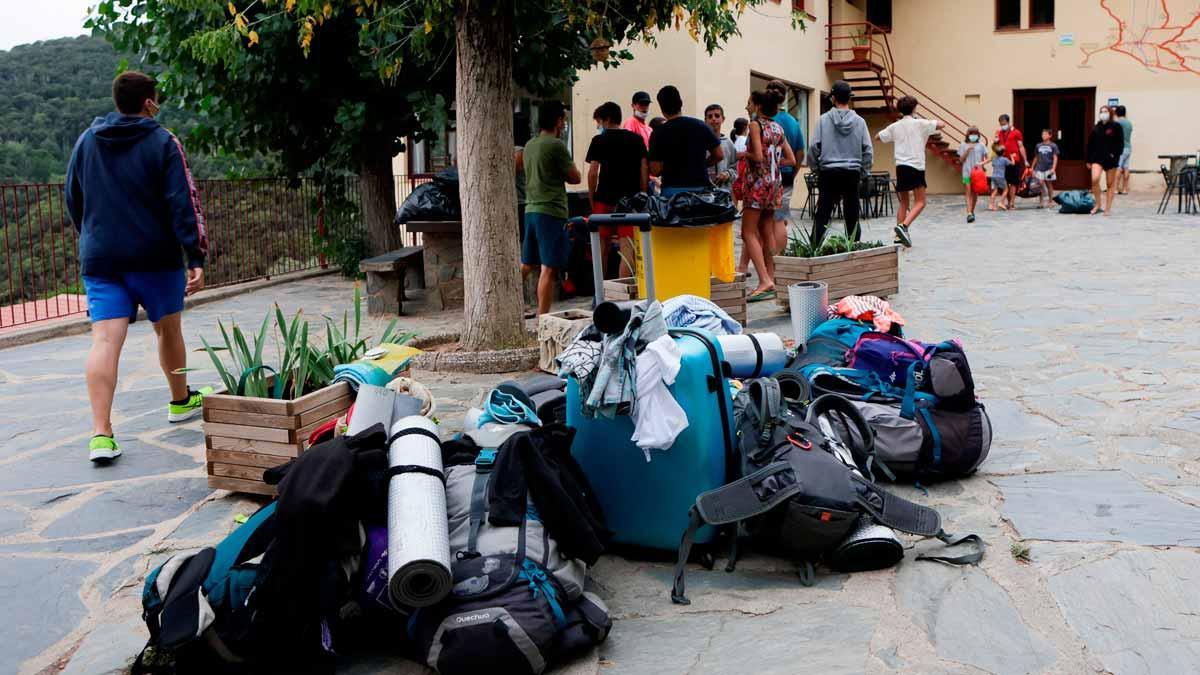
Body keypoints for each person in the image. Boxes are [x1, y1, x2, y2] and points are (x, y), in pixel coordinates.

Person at [64, 71, 209, 463]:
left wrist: (92, 235)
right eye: (156, 98)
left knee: (105, 340)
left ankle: (101, 434)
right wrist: (194, 254)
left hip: (102, 256)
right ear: (148, 103)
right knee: (168, 328)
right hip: (154, 256)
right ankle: (180, 400)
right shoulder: (163, 141)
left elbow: (72, 196)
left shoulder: (87, 141)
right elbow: (184, 201)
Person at [522, 100, 581, 315]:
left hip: (530, 209)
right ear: (558, 121)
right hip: (551, 211)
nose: (565, 124)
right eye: (564, 119)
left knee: (527, 264)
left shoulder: (530, 145)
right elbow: (575, 177)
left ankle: (505, 301)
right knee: (548, 267)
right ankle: (543, 318)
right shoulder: (556, 146)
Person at [739, 89, 795, 303]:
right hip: (775, 184)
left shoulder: (756, 125)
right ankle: (771, 277)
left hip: (757, 184)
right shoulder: (778, 127)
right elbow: (790, 159)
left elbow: (757, 155)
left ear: (758, 105)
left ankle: (764, 280)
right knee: (766, 230)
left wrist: (742, 154)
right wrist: (773, 164)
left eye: (749, 102)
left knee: (748, 232)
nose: (747, 106)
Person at [586, 101, 648, 277]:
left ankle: (600, 293)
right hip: (629, 201)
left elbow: (592, 173)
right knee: (627, 249)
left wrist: (592, 199)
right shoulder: (636, 139)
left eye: (599, 122)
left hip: (603, 199)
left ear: (606, 119)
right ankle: (624, 294)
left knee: (601, 249)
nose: (599, 126)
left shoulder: (598, 140)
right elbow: (644, 167)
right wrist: (642, 193)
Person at [808, 80, 873, 243]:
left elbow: (813, 148)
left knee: (823, 213)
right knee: (852, 214)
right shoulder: (860, 122)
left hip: (828, 172)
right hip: (852, 172)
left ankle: (814, 248)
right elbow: (868, 150)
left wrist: (816, 169)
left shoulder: (823, 120)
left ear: (833, 98)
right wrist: (863, 172)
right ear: (849, 99)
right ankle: (854, 247)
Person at [875, 95, 943, 247]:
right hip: (916, 166)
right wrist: (924, 121)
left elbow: (877, 137)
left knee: (904, 202)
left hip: (901, 166)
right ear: (914, 108)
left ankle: (899, 237)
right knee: (921, 202)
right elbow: (941, 124)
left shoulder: (895, 126)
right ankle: (903, 226)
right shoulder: (920, 123)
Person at [647, 85, 721, 197]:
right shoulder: (701, 126)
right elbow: (719, 155)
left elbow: (655, 170)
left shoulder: (658, 133)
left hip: (671, 191)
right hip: (700, 191)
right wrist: (701, 164)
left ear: (662, 109)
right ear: (681, 103)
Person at [765, 80, 805, 253]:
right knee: (780, 218)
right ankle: (779, 255)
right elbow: (800, 153)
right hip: (787, 175)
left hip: (766, 175)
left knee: (766, 219)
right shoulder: (793, 122)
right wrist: (793, 172)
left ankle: (768, 256)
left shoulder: (763, 120)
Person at [1087, 104, 1124, 215]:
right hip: (1097, 158)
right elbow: (1090, 144)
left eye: (1105, 111)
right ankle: (1098, 204)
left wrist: (1114, 154)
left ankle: (1108, 208)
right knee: (1095, 179)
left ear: (1110, 113)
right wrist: (1088, 160)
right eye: (1101, 111)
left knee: (1109, 184)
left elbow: (1120, 144)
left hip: (1111, 160)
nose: (1103, 113)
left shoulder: (1116, 126)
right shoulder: (1096, 127)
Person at [995, 114, 1027, 210]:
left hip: (1014, 160)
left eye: (1003, 123)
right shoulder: (999, 132)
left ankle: (1012, 203)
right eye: (1000, 123)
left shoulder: (1016, 132)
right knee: (1004, 182)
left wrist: (1025, 160)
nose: (1002, 125)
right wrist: (995, 141)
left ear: (1008, 122)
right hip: (1002, 161)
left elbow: (1021, 146)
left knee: (1013, 182)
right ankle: (1008, 202)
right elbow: (995, 147)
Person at [957, 125, 989, 223]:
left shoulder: (982, 145)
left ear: (978, 135)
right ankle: (969, 213)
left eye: (975, 134)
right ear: (968, 134)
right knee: (968, 191)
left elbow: (987, 158)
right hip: (966, 172)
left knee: (975, 193)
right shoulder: (963, 145)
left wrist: (982, 164)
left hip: (978, 173)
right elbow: (961, 160)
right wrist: (967, 150)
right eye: (971, 134)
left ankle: (972, 211)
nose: (973, 136)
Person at [703, 104, 739, 191]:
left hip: (723, 191)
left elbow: (735, 169)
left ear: (723, 119)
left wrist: (727, 174)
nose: (713, 119)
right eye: (710, 116)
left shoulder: (728, 144)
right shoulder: (700, 143)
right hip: (704, 192)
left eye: (717, 116)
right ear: (705, 120)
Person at [1033, 129, 1060, 209]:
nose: (1043, 136)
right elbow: (1036, 157)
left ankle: (1050, 201)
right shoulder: (1038, 145)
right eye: (1042, 134)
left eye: (1045, 134)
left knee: (1049, 185)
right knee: (1040, 184)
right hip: (1039, 168)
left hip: (1049, 168)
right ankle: (1041, 202)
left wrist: (1053, 168)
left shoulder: (1053, 145)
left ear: (1050, 135)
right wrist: (1032, 167)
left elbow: (1055, 157)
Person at [988, 142, 1011, 211]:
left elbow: (993, 165)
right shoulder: (1004, 159)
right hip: (1001, 177)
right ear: (1003, 153)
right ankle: (1001, 202)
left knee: (994, 191)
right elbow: (1012, 163)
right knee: (1006, 189)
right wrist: (1012, 157)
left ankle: (991, 205)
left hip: (993, 176)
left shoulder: (994, 159)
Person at [1115, 105, 1133, 194]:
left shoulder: (1118, 123)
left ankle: (1115, 188)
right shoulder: (1129, 123)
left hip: (1120, 148)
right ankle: (1125, 189)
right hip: (1128, 147)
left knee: (1118, 168)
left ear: (1116, 113)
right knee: (1126, 168)